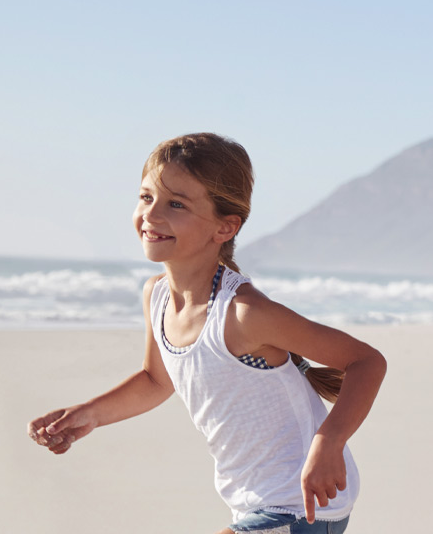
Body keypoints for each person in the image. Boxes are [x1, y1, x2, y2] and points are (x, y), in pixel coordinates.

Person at [27, 133, 387, 534]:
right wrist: (88, 414)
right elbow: (155, 380)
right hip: (252, 502)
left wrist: (329, 442)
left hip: (300, 504)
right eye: (146, 197)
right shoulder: (157, 295)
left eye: (176, 204)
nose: (152, 215)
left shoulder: (243, 313)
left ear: (225, 226)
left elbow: (366, 361)